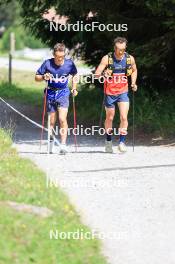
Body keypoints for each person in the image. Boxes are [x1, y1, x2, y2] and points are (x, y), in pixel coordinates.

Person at [95, 37, 137, 153]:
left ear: (125, 48)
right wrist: (104, 74)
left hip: (123, 92)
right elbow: (96, 75)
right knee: (110, 117)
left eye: (123, 49)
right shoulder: (107, 59)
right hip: (110, 93)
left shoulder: (129, 59)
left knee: (124, 117)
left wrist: (133, 83)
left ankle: (121, 142)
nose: (121, 52)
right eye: (118, 49)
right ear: (114, 48)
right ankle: (108, 141)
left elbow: (134, 70)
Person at [35, 43, 78, 154]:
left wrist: (74, 88)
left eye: (62, 57)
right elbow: (36, 77)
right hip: (50, 93)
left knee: (63, 119)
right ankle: (50, 142)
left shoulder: (69, 64)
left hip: (63, 93)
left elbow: (75, 75)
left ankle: (63, 145)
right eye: (57, 57)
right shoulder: (47, 63)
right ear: (54, 55)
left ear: (64, 55)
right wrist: (44, 76)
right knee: (51, 121)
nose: (60, 59)